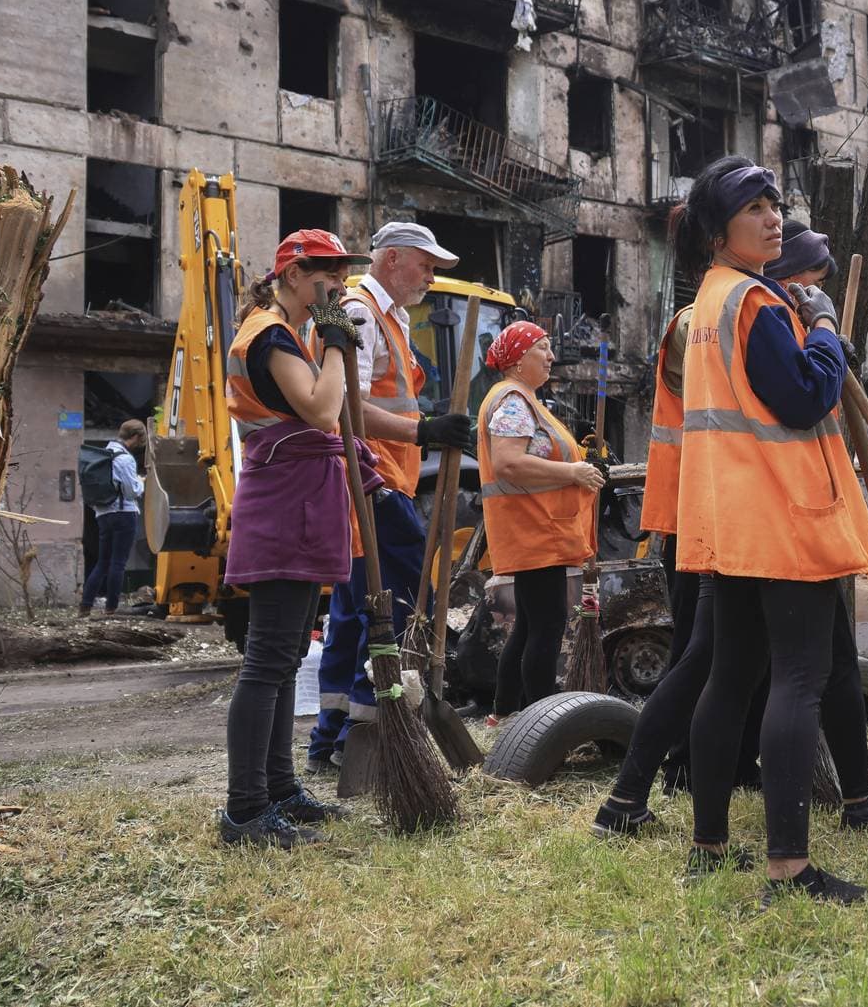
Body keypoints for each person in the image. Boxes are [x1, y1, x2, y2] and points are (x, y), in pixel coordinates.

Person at [593, 216, 868, 843]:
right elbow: (791, 399)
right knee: (721, 665)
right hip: (735, 515)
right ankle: (642, 795)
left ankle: (854, 800)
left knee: (812, 662)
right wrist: (820, 340)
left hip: (739, 511)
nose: (808, 291)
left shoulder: (731, 308)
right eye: (808, 281)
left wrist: (816, 342)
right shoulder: (722, 316)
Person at [674, 158, 868, 905]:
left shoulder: (709, 300)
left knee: (730, 677)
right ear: (715, 229)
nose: (773, 218)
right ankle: (790, 870)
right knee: (799, 677)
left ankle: (708, 845)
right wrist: (825, 328)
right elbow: (801, 398)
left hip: (729, 517)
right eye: (755, 208)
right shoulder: (758, 304)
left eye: (776, 204)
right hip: (781, 514)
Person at [216, 228, 370, 848]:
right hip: (284, 502)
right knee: (267, 663)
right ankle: (246, 810)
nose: (335, 283)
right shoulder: (270, 333)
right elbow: (322, 409)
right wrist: (335, 344)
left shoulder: (284, 330)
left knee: (281, 663)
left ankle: (278, 790)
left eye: (339, 272)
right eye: (324, 273)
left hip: (296, 498)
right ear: (292, 274)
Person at [307, 222, 478, 775]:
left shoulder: (391, 319)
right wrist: (424, 430)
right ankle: (369, 731)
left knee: (356, 614)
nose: (431, 276)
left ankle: (330, 740)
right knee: (393, 603)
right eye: (426, 264)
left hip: (375, 482)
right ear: (393, 259)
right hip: (371, 484)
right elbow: (344, 407)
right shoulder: (360, 313)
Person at [475, 319, 604, 715]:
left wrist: (586, 458)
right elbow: (509, 463)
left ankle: (506, 712)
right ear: (517, 360)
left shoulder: (521, 399)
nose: (550, 356)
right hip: (536, 531)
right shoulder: (514, 400)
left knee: (531, 626)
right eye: (541, 348)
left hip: (538, 530)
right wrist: (574, 472)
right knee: (546, 628)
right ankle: (542, 722)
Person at [80, 419, 147, 617]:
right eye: (140, 439)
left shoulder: (102, 455)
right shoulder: (125, 459)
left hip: (103, 514)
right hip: (124, 514)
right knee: (118, 563)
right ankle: (111, 608)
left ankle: (85, 605)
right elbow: (132, 491)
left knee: (102, 562)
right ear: (134, 437)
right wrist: (141, 482)